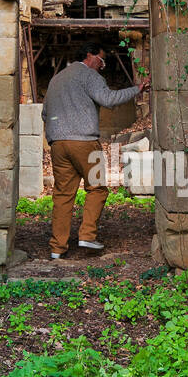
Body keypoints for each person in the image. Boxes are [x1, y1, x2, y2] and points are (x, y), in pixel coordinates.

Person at [43, 44, 148, 258]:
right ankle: (87, 235)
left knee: (62, 195)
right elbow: (108, 100)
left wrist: (56, 134)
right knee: (98, 188)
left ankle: (57, 249)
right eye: (101, 60)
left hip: (58, 144)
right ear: (89, 55)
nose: (102, 66)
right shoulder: (88, 75)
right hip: (84, 143)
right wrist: (136, 89)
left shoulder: (57, 79)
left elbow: (45, 113)